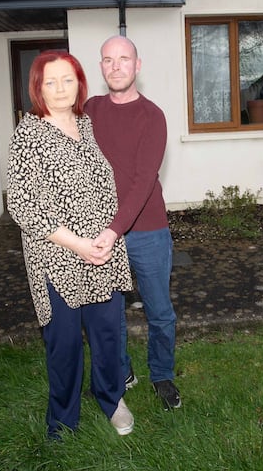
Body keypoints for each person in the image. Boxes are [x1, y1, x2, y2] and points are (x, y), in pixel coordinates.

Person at [6, 49, 135, 439]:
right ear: (38, 88)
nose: (60, 88)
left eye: (68, 79)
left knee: (108, 335)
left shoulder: (87, 125)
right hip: (57, 257)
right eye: (51, 81)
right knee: (64, 345)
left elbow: (105, 188)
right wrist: (78, 244)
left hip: (102, 252)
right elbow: (21, 204)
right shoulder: (27, 135)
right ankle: (62, 420)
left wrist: (107, 237)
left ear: (79, 83)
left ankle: (112, 398)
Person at [84, 35, 182, 410]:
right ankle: (121, 372)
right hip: (102, 230)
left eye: (123, 59)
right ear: (101, 67)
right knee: (111, 313)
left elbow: (143, 182)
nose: (116, 66)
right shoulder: (90, 110)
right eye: (108, 60)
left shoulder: (152, 116)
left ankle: (162, 374)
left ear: (137, 65)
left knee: (159, 311)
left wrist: (113, 230)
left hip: (147, 231)